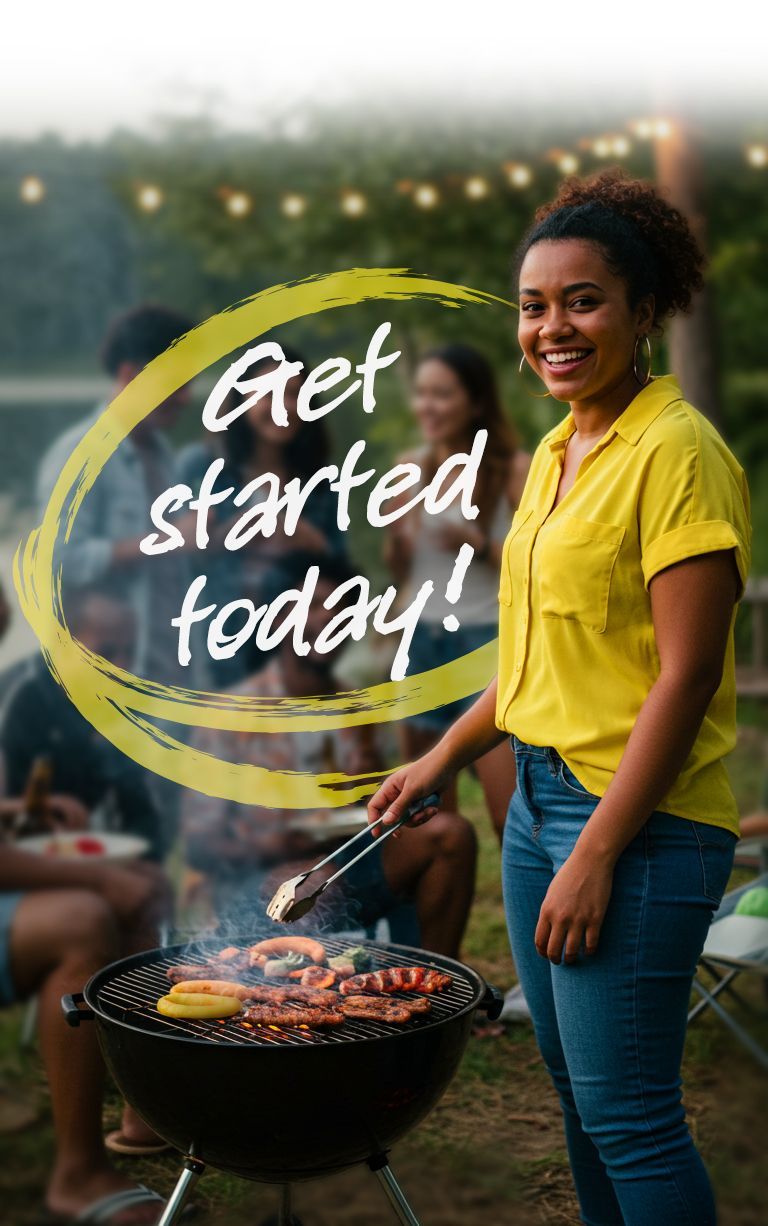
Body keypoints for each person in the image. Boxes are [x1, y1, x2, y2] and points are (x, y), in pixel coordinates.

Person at [368, 168, 751, 1226]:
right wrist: (439, 759)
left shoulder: (678, 454)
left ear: (643, 309)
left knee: (631, 1115)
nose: (553, 327)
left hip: (636, 823)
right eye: (536, 305)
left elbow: (688, 675)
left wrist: (594, 855)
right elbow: (533, 657)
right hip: (537, 808)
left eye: (583, 300)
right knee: (584, 1104)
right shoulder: (557, 445)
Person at [182, 553, 477, 957]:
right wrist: (279, 846)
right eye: (313, 606)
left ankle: (435, 982)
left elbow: (367, 813)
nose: (329, 619)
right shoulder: (231, 716)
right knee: (312, 884)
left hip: (343, 863)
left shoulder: (357, 711)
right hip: (256, 879)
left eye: (343, 608)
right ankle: (299, 998)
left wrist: (397, 802)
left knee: (451, 835)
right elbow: (200, 843)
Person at [385, 343, 530, 842]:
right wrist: (396, 539)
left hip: (486, 645)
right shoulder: (409, 468)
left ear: (476, 402)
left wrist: (477, 543)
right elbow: (402, 570)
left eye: (442, 394)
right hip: (420, 643)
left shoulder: (514, 470)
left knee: (508, 818)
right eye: (422, 393)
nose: (427, 405)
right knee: (426, 820)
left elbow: (540, 566)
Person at [37, 304, 194, 690]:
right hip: (113, 680)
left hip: (173, 674)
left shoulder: (162, 453)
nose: (187, 397)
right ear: (130, 374)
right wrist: (166, 540)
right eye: (177, 383)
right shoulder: (79, 453)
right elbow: (58, 561)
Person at [177, 343, 347, 689]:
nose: (285, 407)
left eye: (295, 395)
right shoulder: (202, 465)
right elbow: (175, 560)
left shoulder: (322, 479)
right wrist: (233, 531)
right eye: (269, 394)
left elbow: (342, 575)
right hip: (219, 638)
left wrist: (313, 543)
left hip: (294, 643)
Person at [0, 586, 165, 858]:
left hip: (81, 853)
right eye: (107, 652)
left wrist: (147, 861)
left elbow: (140, 809)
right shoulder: (18, 700)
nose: (121, 666)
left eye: (130, 651)